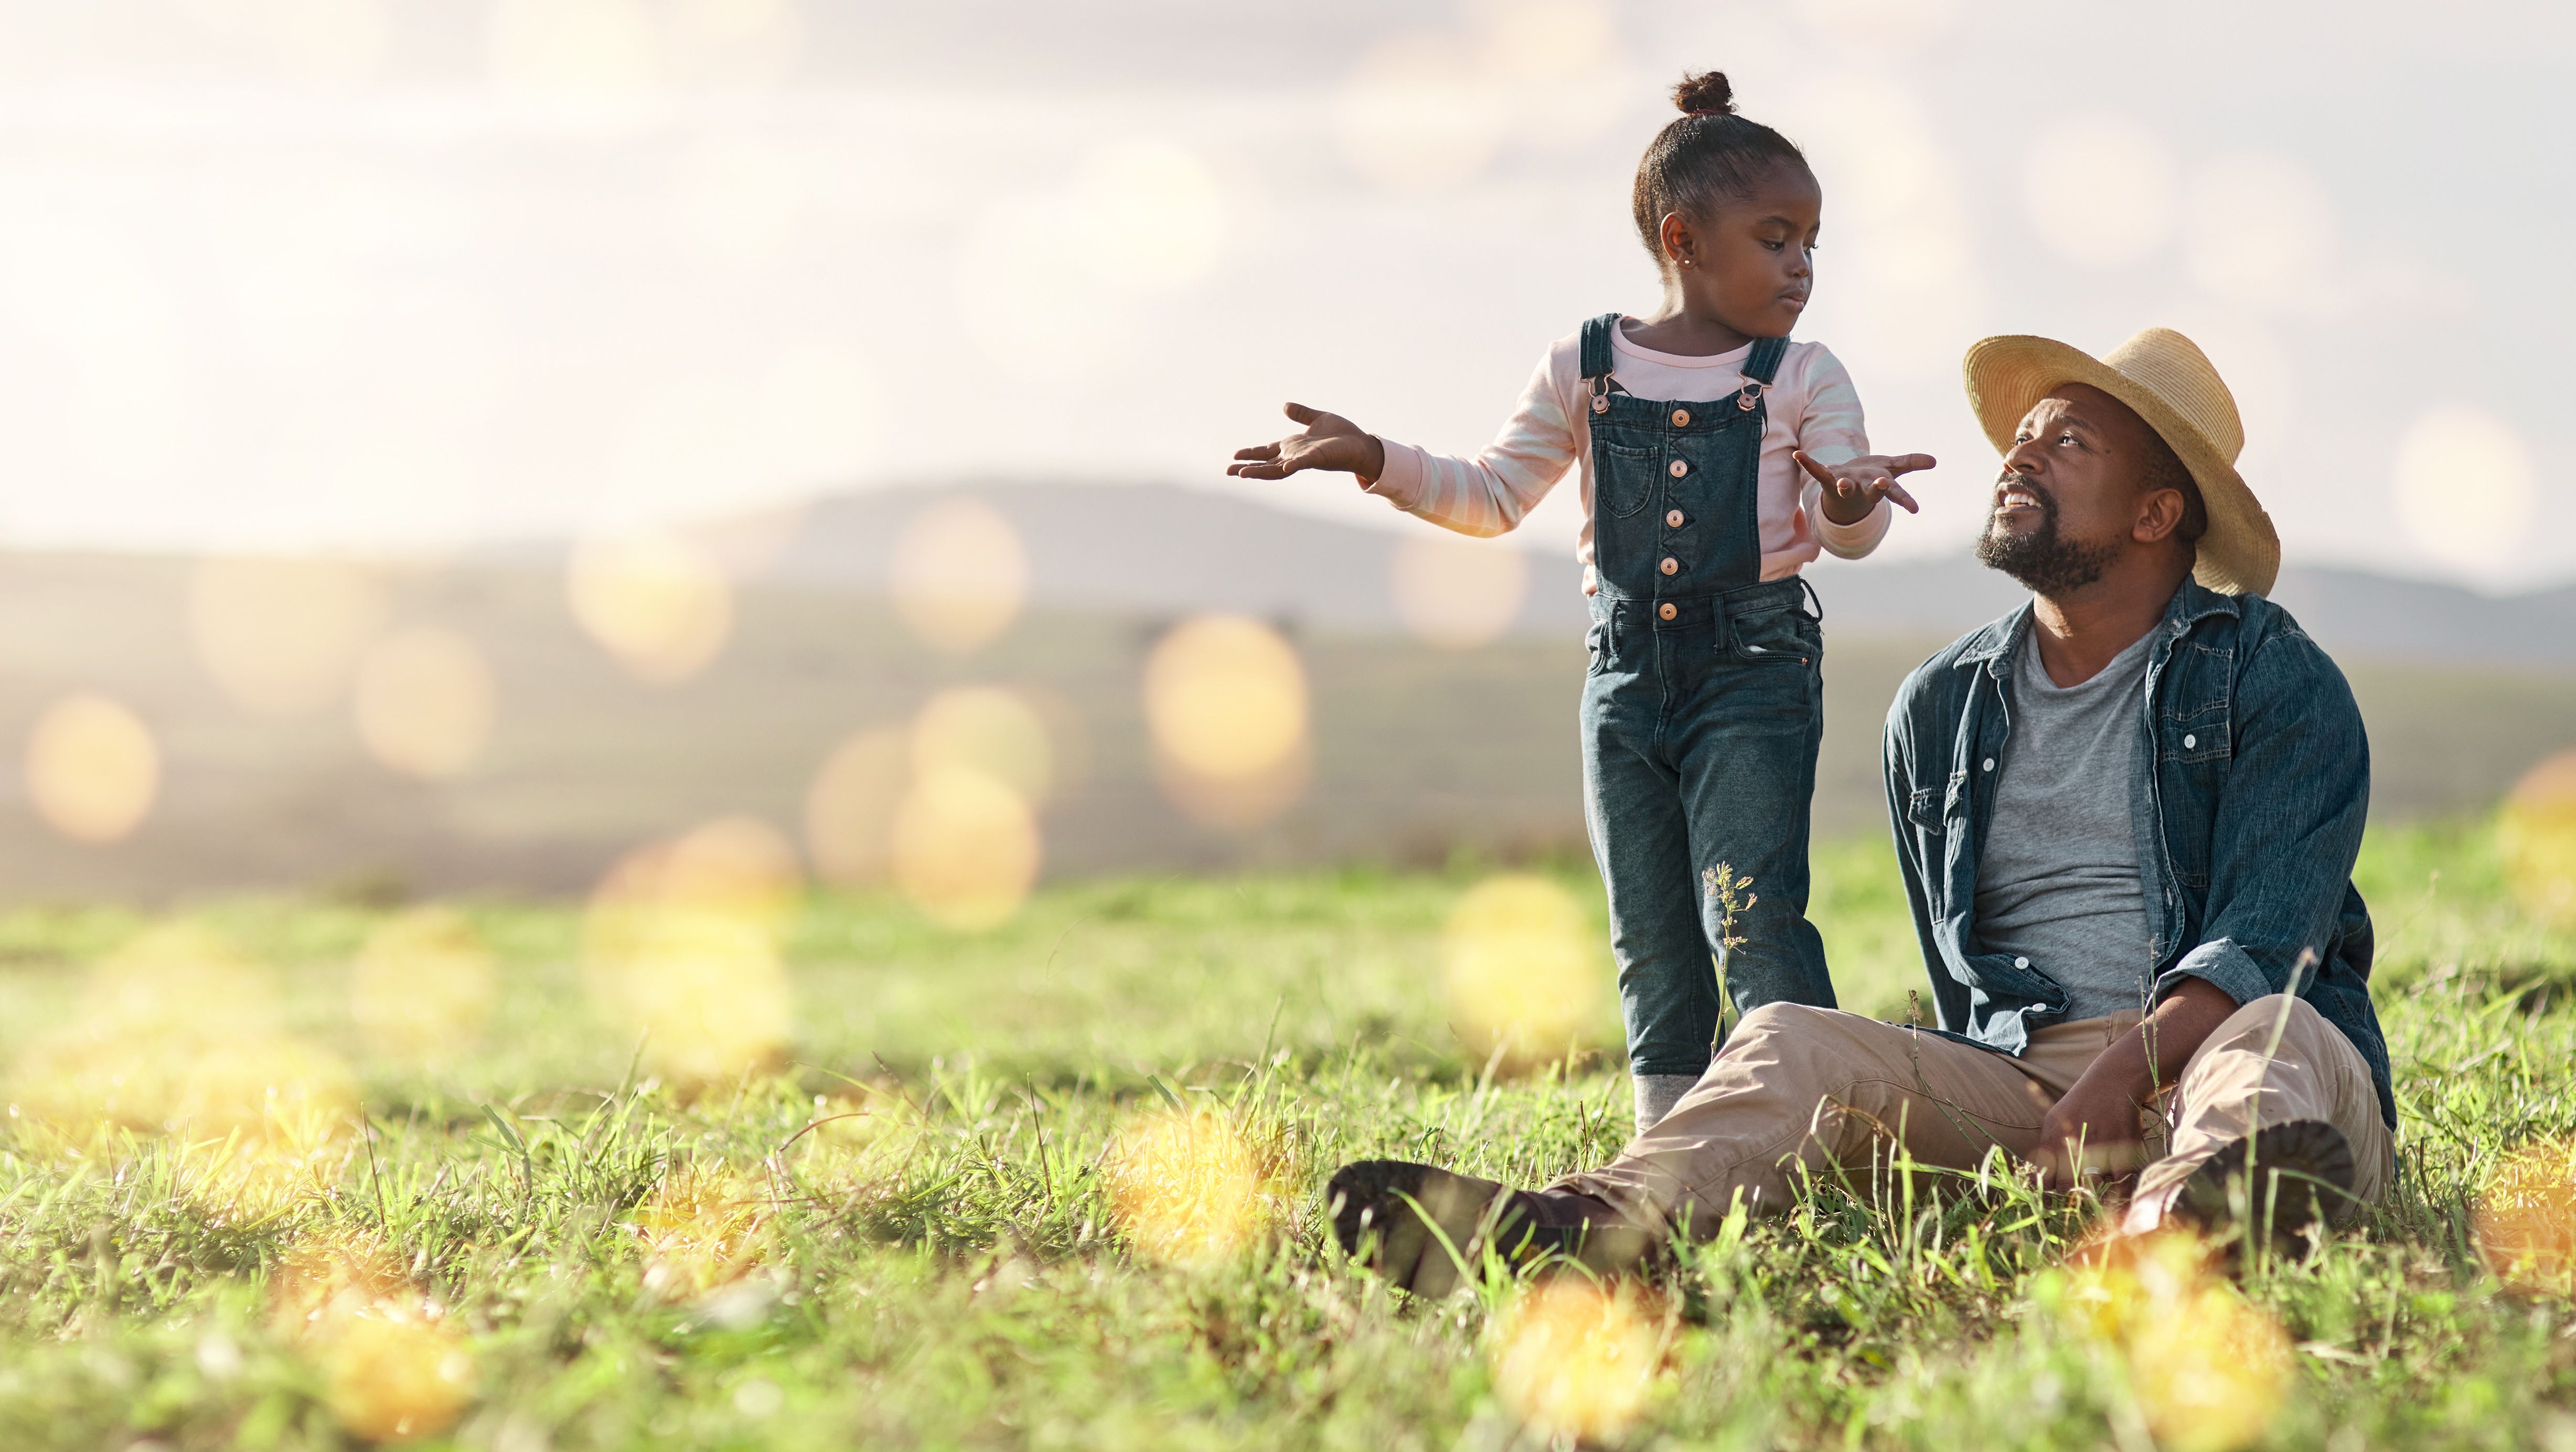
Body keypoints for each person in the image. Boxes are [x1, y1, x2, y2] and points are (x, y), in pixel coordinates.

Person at [1324, 327, 2397, 1297]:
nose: (2017, 458)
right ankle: (1582, 1223)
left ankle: (2179, 1225)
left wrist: (2121, 1084)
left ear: (2155, 512)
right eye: (2018, 436)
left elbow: (2265, 945)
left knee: (2273, 1030)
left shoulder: (2268, 676)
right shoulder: (1937, 707)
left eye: (2066, 443)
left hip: (2240, 1076)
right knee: (1789, 1037)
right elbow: (1962, 979)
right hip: (2034, 1095)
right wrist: (2041, 1105)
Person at [1228, 71, 1936, 1134]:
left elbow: (1850, 528)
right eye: (1774, 237)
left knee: (1748, 914)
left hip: (1754, 676)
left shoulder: (1803, 375)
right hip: (1620, 682)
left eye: (1809, 243)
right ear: (1682, 238)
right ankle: (1670, 1145)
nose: (1799, 266)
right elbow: (1493, 496)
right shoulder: (1585, 367)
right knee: (1647, 927)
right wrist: (1373, 457)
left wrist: (1845, 501)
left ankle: (1812, 1133)